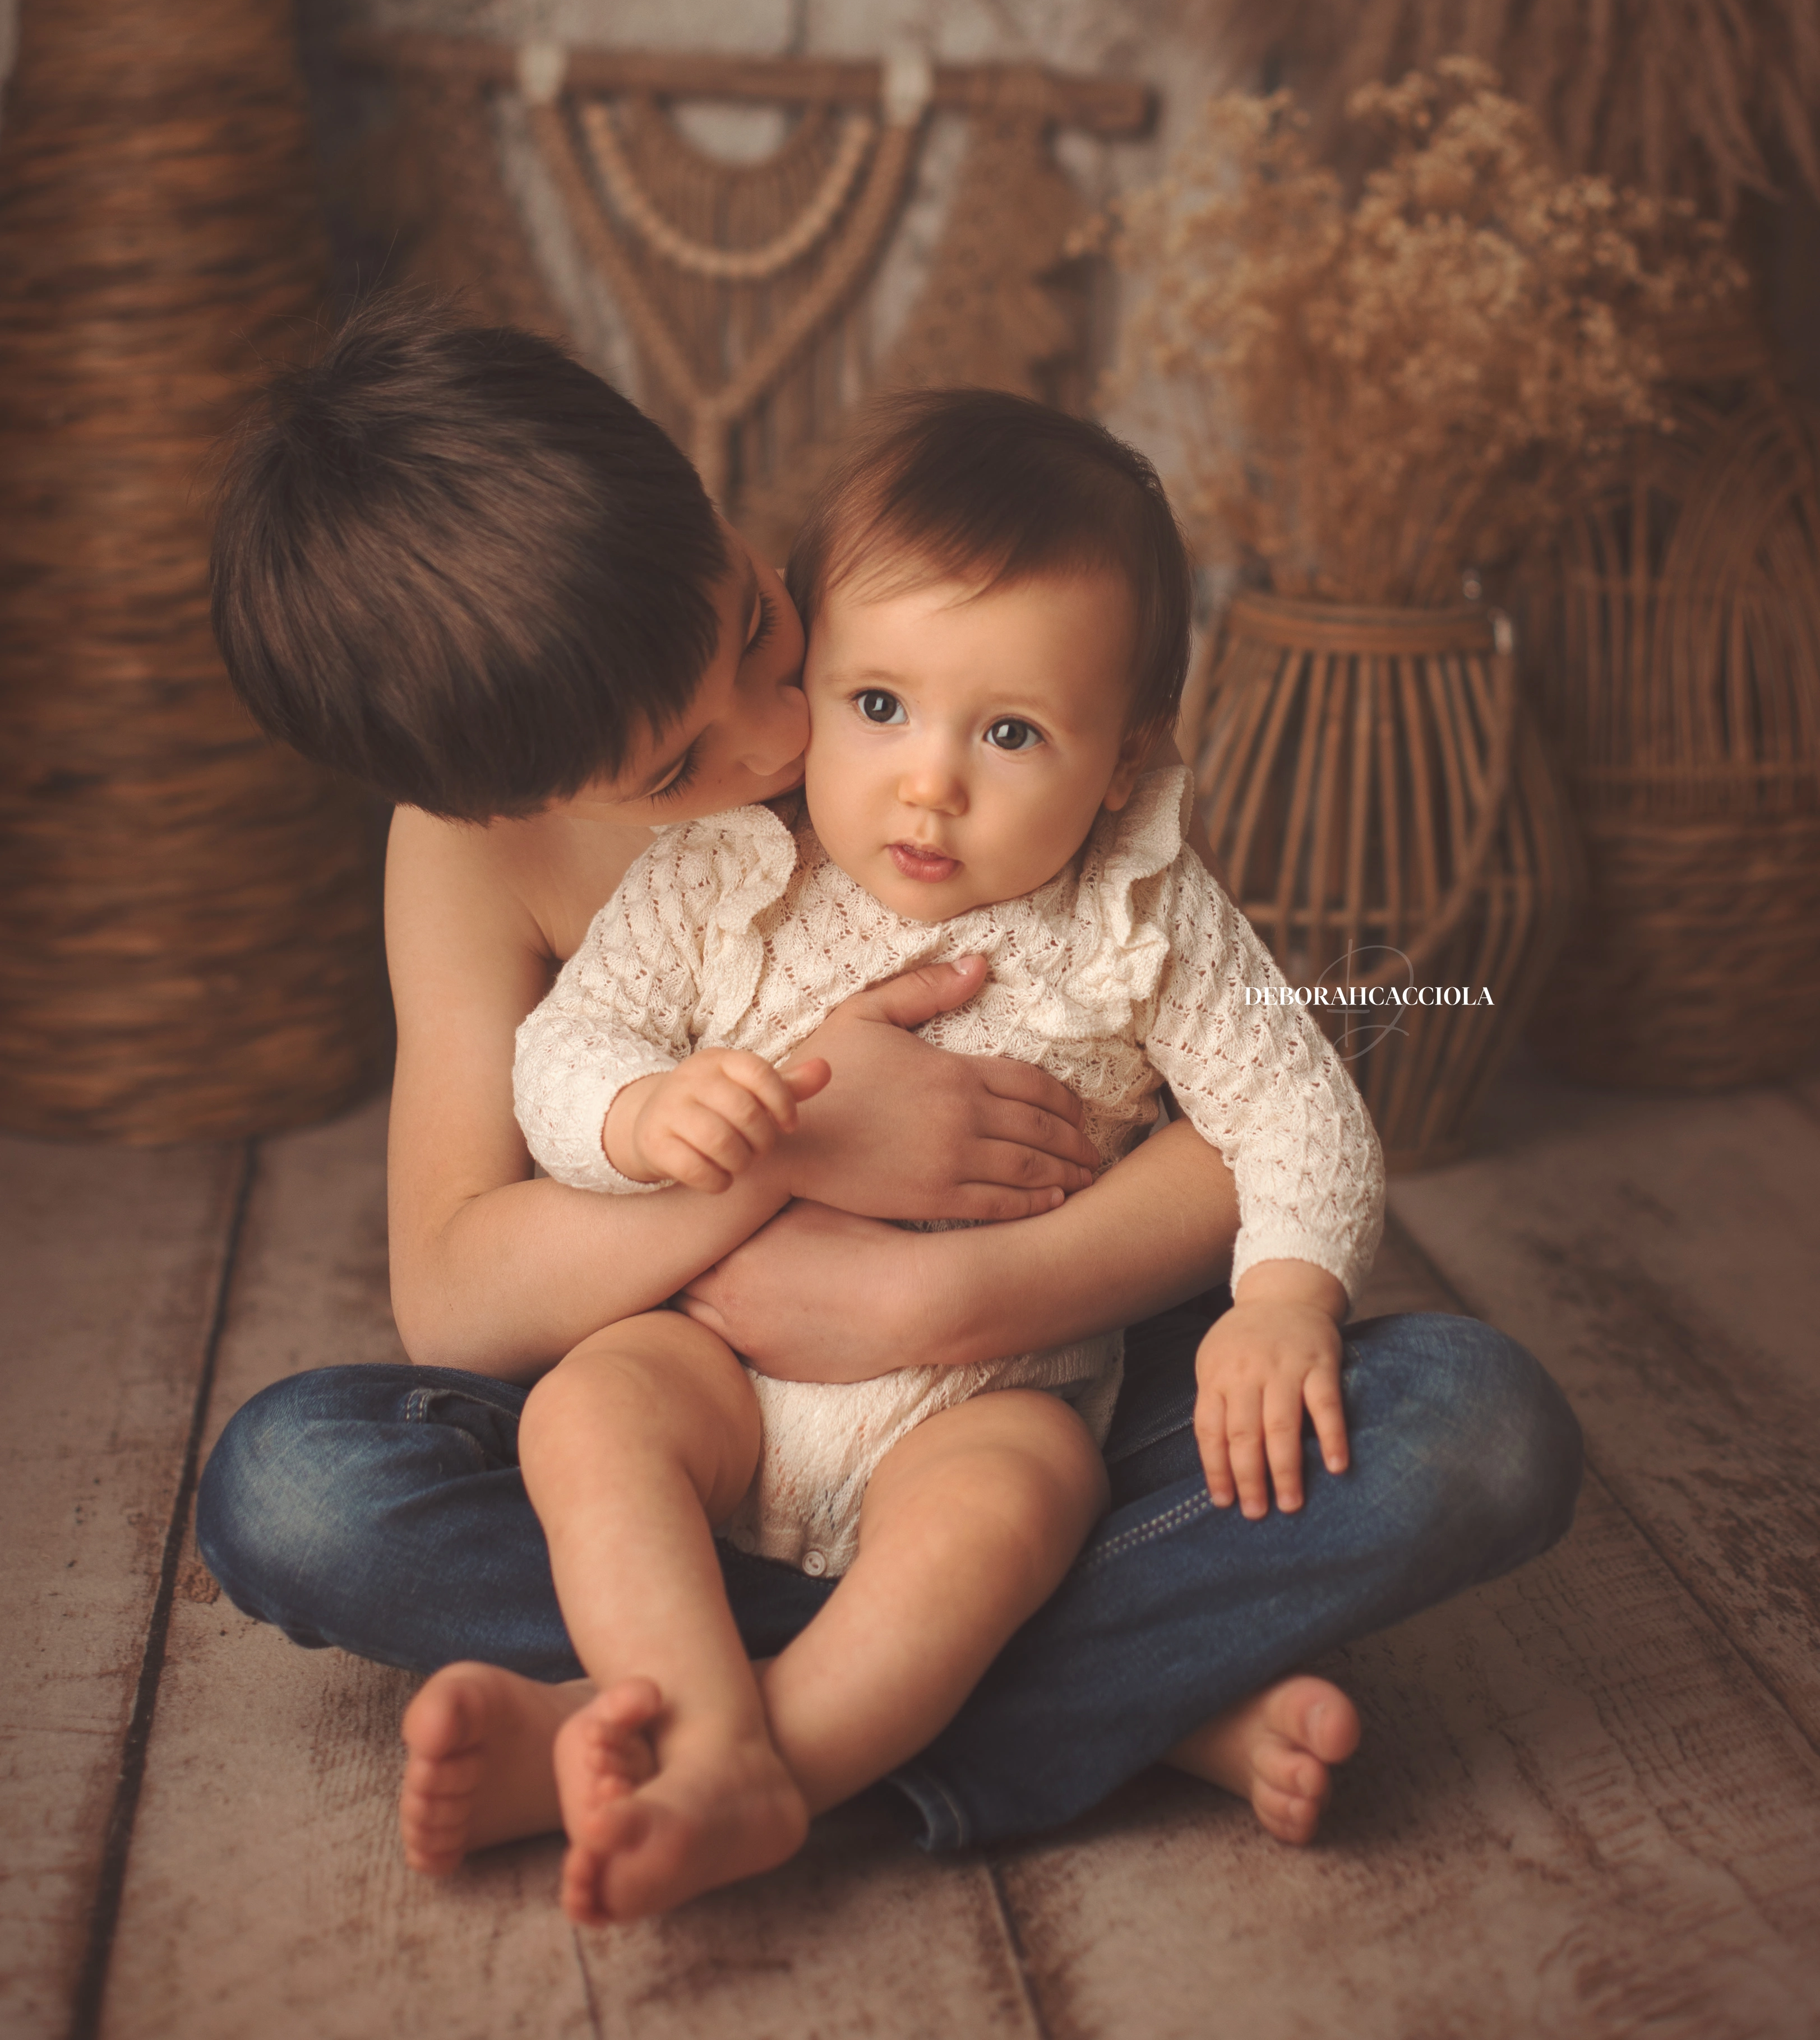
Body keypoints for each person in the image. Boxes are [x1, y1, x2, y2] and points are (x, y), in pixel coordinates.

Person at [195, 302, 1582, 1889]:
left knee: (1473, 1429)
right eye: (676, 766)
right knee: (293, 1483)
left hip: (1023, 1369)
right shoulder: (468, 849)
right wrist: (795, 1140)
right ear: (500, 793)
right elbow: (456, 1291)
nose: (785, 728)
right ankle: (1063, 1703)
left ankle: (697, 1731)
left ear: (703, 497)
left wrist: (946, 1291)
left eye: (756, 633)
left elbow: (1253, 1118)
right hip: (696, 1394)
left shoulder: (904, 639)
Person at [506, 389, 1383, 1920]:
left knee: (1017, 1507)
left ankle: (759, 1767)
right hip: (723, 1375)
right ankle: (708, 1722)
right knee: (582, 1413)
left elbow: (1299, 1102)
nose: (929, 781)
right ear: (815, 686)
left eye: (1011, 732)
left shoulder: (1144, 912)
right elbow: (560, 1054)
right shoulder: (718, 870)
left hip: (986, 1400)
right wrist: (639, 1115)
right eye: (879, 706)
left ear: (1123, 759)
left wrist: (1287, 1301)